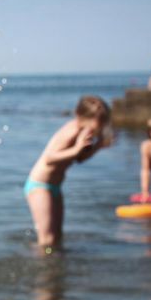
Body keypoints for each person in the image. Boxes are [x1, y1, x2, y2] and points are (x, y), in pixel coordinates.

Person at [24, 96, 112, 249]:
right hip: (40, 186)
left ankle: (56, 267)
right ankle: (43, 268)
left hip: (55, 187)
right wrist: (76, 149)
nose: (102, 127)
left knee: (57, 236)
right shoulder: (71, 131)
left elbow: (79, 159)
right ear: (83, 117)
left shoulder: (84, 133)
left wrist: (98, 146)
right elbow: (49, 159)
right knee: (47, 239)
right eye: (100, 122)